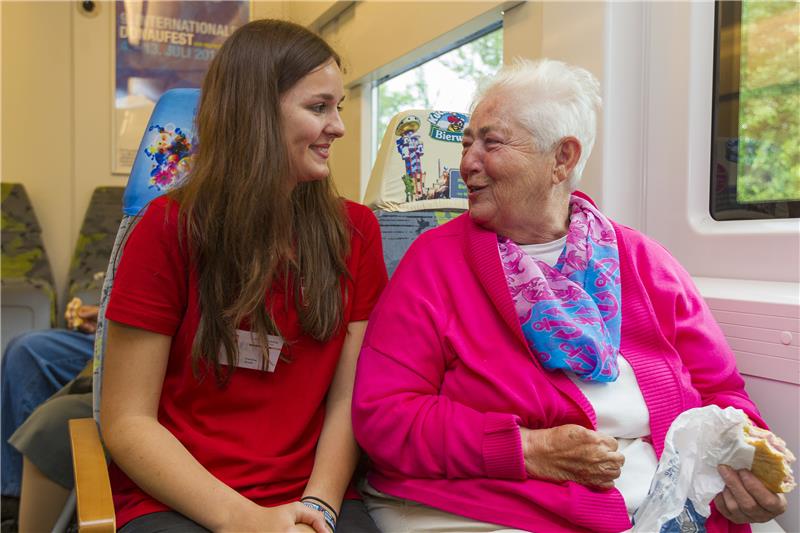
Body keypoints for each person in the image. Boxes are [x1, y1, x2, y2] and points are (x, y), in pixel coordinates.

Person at [351, 58, 788, 533]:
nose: (468, 163)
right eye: (466, 143)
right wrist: (528, 450)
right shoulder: (433, 263)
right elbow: (385, 416)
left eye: (491, 143)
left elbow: (722, 391)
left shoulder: (644, 260)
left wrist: (744, 460)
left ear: (561, 158)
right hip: (497, 497)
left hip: (664, 485)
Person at [100, 19, 387, 533]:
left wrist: (318, 509)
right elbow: (127, 420)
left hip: (311, 494)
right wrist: (242, 519)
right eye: (319, 107)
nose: (339, 127)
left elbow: (349, 397)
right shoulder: (167, 229)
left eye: (337, 107)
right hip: (182, 498)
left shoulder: (357, 231)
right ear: (255, 112)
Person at [1, 302, 98, 520]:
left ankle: (17, 504)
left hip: (137, 336)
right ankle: (11, 494)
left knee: (50, 422)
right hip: (107, 334)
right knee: (24, 349)